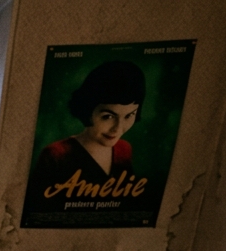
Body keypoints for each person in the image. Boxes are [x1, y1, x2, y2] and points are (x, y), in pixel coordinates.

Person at [24, 60, 146, 211]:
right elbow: (39, 209)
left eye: (129, 116)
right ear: (88, 109)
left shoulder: (124, 150)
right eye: (108, 116)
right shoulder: (56, 155)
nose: (118, 129)